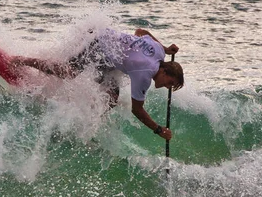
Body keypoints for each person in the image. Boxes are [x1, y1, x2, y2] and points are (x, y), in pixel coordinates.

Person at [10, 28, 184, 140]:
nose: (167, 87)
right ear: (164, 71)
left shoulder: (159, 51)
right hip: (100, 46)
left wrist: (166, 48)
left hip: (106, 46)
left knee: (112, 98)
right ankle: (22, 61)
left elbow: (140, 31)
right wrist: (158, 130)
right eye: (170, 82)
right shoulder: (145, 74)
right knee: (69, 72)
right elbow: (137, 110)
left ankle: (83, 126)